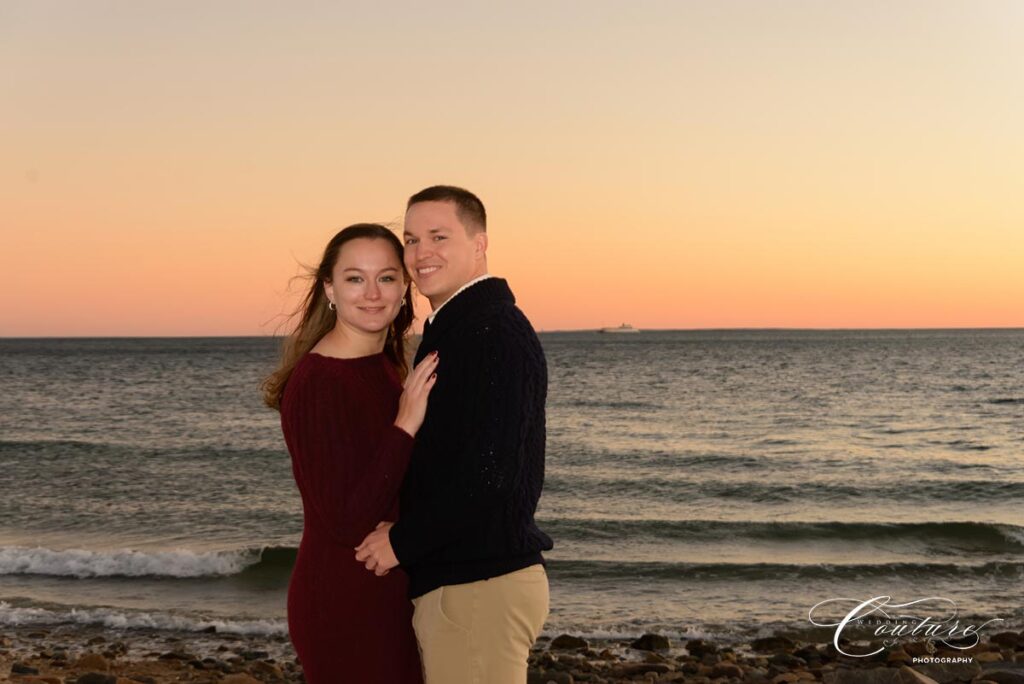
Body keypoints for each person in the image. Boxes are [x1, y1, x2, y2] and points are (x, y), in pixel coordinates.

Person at [355, 186, 553, 683]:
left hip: (478, 588)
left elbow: (492, 475)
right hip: (469, 586)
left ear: (480, 244)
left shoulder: (492, 332)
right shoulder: (457, 329)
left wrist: (403, 541)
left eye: (439, 236)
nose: (421, 253)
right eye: (412, 239)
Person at [263, 223, 438, 684]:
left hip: (386, 593)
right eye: (355, 278)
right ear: (330, 289)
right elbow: (344, 518)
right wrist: (405, 424)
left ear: (405, 288)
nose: (373, 293)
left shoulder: (383, 365)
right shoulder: (321, 382)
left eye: (386, 277)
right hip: (345, 600)